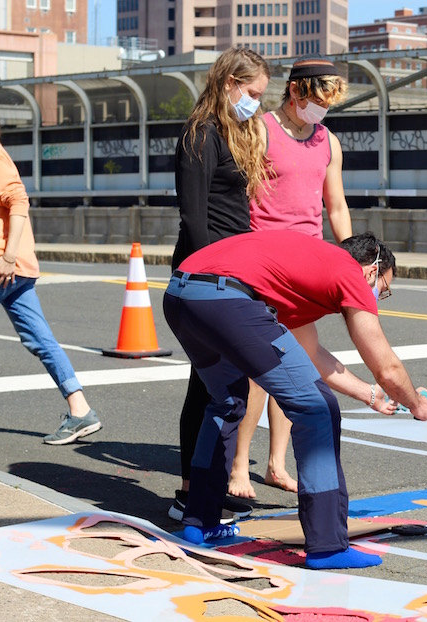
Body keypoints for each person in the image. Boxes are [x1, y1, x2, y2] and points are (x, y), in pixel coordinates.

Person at [162, 230, 427, 569]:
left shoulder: (309, 268)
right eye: (383, 290)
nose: (377, 296)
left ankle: (200, 523)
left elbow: (309, 355)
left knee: (227, 402)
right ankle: (327, 546)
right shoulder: (350, 272)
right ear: (372, 269)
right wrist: (417, 403)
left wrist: (371, 396)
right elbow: (387, 366)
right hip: (229, 301)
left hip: (181, 295)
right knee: (318, 410)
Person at [229, 54, 358, 499]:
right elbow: (240, 194)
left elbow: (335, 207)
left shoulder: (327, 141)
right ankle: (237, 468)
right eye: (318, 98)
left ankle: (275, 462)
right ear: (297, 91)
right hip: (262, 264)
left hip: (307, 267)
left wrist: (351, 257)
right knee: (257, 372)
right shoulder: (260, 129)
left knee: (296, 367)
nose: (323, 109)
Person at [168, 47, 271, 525]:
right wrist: (214, 277)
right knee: (206, 386)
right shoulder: (200, 134)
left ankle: (203, 486)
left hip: (233, 273)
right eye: (251, 93)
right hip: (207, 275)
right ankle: (189, 490)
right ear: (229, 82)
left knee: (221, 384)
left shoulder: (233, 133)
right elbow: (193, 216)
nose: (255, 103)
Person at [0, 87, 102, 445]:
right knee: (41, 340)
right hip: (12, 266)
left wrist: (7, 256)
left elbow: (18, 200)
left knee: (41, 339)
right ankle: (81, 411)